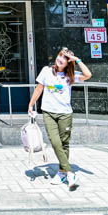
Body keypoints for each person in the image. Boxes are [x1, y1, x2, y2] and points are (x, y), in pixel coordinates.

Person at [28, 47, 92, 188]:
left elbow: (88, 75)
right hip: (49, 112)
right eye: (59, 56)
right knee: (55, 142)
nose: (60, 59)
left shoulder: (71, 75)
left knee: (64, 143)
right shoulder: (46, 70)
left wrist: (78, 60)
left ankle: (62, 173)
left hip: (65, 114)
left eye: (64, 58)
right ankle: (70, 173)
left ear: (68, 62)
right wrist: (31, 105)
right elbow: (39, 89)